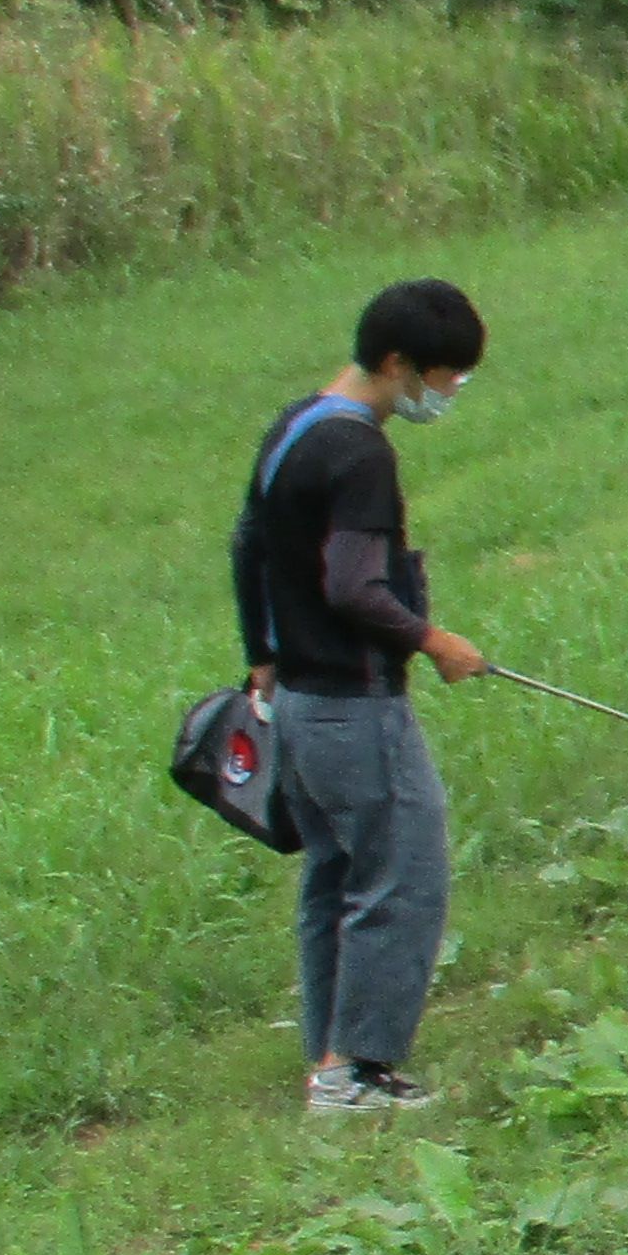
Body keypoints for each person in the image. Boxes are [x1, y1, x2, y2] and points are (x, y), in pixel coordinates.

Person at [231, 278, 493, 1116]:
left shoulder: (294, 427)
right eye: (445, 376)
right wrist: (434, 640)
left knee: (336, 878)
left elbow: (248, 547)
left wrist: (263, 657)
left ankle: (329, 1063)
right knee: (404, 875)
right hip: (355, 702)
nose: (450, 393)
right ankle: (360, 1073)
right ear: (397, 363)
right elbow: (353, 587)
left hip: (301, 704)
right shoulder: (360, 453)